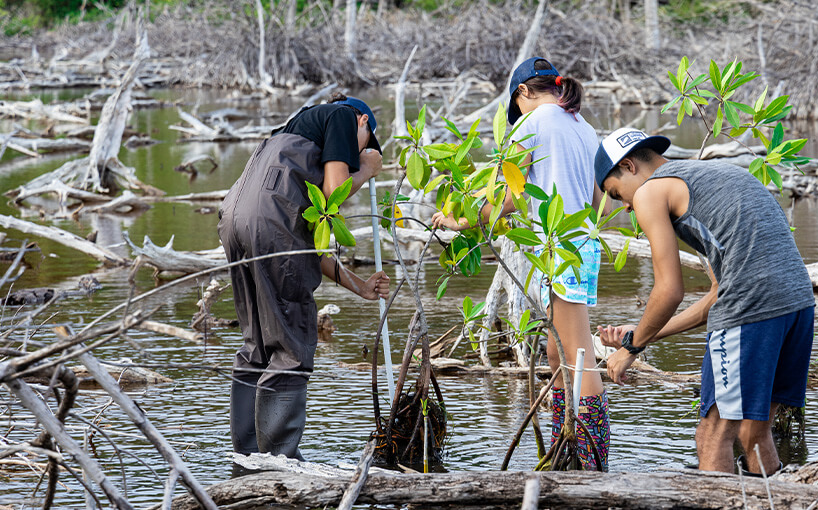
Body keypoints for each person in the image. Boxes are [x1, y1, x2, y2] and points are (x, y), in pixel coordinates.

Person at [594, 128, 814, 476]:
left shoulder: (651, 192)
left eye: (615, 192)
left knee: (712, 435)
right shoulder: (712, 174)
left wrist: (631, 349)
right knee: (753, 432)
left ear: (628, 166)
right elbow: (715, 298)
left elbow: (669, 291)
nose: (624, 206)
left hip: (750, 308)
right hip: (798, 304)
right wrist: (641, 334)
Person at [432, 57, 610, 470]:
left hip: (554, 249)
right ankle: (566, 447)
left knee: (578, 353)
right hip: (581, 243)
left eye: (518, 106)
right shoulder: (583, 126)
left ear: (523, 93)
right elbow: (602, 201)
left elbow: (506, 199)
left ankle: (592, 461)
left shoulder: (530, 125)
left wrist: (458, 219)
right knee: (556, 350)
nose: (518, 116)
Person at [218, 93, 391, 460]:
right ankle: (280, 462)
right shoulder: (344, 117)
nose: (360, 151)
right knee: (290, 347)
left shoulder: (290, 135)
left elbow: (304, 244)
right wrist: (367, 169)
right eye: (364, 145)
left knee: (257, 346)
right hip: (269, 223)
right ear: (363, 123)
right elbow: (333, 192)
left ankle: (248, 460)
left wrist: (359, 286)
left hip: (236, 219)